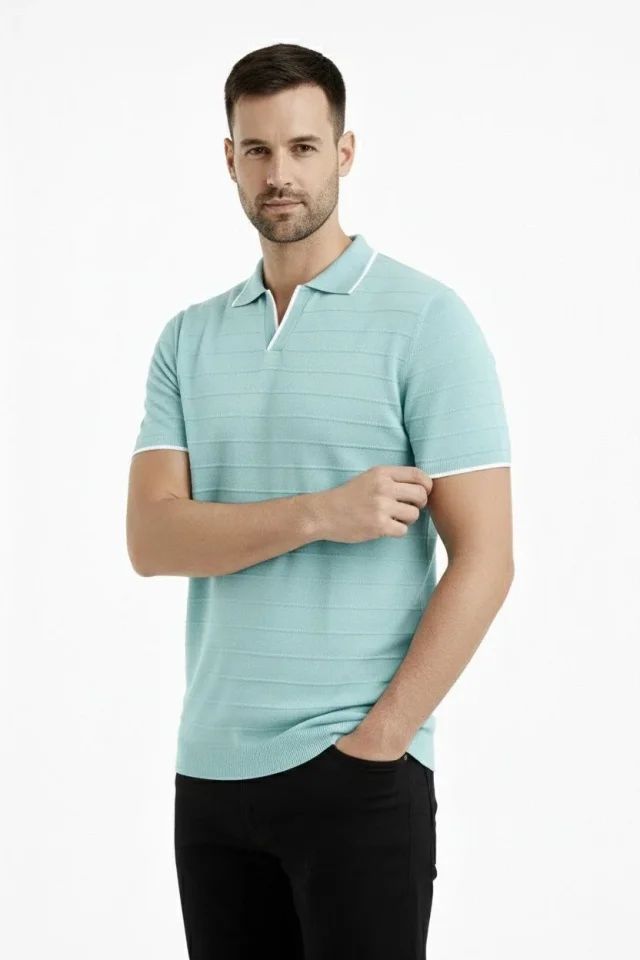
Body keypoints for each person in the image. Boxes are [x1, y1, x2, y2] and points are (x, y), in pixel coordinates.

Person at [126, 41, 514, 960]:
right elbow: (152, 539)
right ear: (229, 159)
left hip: (358, 771)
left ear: (344, 151)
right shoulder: (187, 338)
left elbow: (488, 558)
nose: (280, 174)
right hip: (210, 773)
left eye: (303, 148)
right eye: (258, 150)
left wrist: (385, 737)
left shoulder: (427, 320)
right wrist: (321, 513)